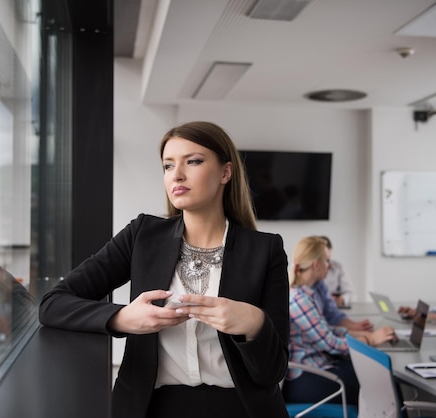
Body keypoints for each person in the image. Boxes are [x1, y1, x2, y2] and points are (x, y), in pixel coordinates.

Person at [39, 121, 290, 418]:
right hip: (149, 407)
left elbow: (272, 372)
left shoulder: (266, 250)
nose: (177, 175)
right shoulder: (141, 235)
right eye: (168, 166)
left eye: (193, 161)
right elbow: (52, 303)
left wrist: (253, 323)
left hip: (242, 409)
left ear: (226, 172)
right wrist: (122, 318)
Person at [283, 236, 396, 408]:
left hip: (318, 366)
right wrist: (371, 340)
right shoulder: (300, 300)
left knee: (375, 377)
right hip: (305, 377)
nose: (329, 266)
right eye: (327, 261)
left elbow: (326, 330)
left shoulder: (307, 294)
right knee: (380, 385)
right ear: (316, 265)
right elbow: (331, 344)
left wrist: (361, 335)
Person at [318, 236, 356, 308]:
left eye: (327, 261)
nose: (327, 266)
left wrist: (342, 299)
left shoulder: (337, 267)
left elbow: (351, 294)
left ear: (330, 251)